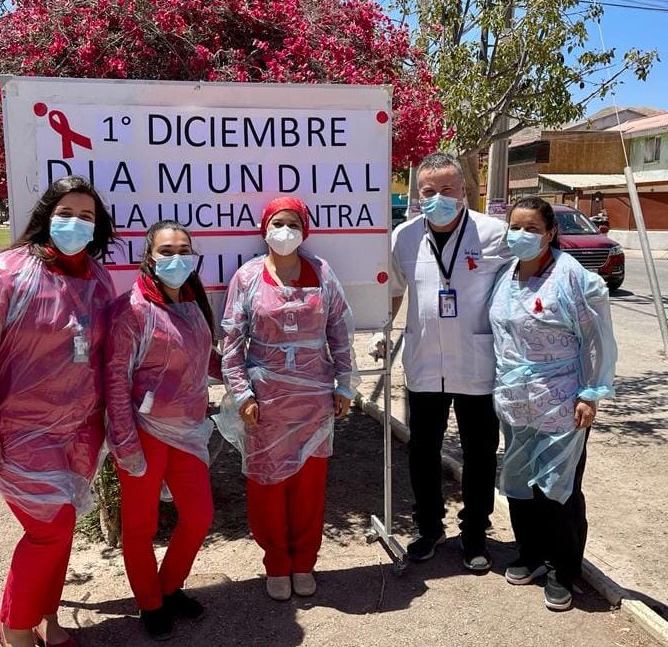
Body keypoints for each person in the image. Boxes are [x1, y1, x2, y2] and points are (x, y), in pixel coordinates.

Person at [0, 176, 116, 647]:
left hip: (80, 429)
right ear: (45, 216)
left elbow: (105, 354)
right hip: (18, 431)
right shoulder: (2, 274)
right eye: (66, 213)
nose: (75, 223)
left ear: (98, 226)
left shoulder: (99, 280)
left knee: (61, 529)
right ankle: (15, 630)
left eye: (86, 216)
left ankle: (45, 615)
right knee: (50, 529)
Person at [217, 196, 359, 601]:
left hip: (314, 399)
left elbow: (339, 333)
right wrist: (241, 392)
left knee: (308, 488)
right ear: (264, 228)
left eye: (293, 223)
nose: (285, 231)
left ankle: (304, 562)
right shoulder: (246, 278)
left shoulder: (322, 273)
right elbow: (231, 342)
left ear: (305, 230)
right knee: (267, 487)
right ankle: (277, 563)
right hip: (265, 403)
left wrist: (344, 385)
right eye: (277, 222)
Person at [382, 152, 512, 570]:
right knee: (422, 451)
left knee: (480, 453)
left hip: (478, 363)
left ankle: (475, 535)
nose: (439, 198)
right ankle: (429, 529)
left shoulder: (494, 234)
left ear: (464, 191)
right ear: (418, 194)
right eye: (429, 191)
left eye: (448, 190)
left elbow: (514, 293)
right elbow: (395, 290)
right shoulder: (402, 236)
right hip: (424, 363)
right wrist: (381, 332)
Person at [489, 196, 617, 611]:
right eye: (516, 227)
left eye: (531, 229)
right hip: (516, 399)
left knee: (559, 489)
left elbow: (596, 339)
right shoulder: (506, 276)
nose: (521, 235)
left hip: (564, 399)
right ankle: (529, 553)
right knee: (520, 483)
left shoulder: (573, 278)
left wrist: (591, 394)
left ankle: (563, 570)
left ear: (550, 233)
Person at [104, 220, 221, 640]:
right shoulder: (131, 310)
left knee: (199, 516)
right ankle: (149, 603)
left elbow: (203, 356)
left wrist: (236, 373)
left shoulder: (193, 301)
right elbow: (115, 380)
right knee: (140, 526)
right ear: (149, 258)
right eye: (166, 251)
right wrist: (125, 443)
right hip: (144, 433)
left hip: (187, 430)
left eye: (184, 250)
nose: (176, 259)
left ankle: (168, 588)